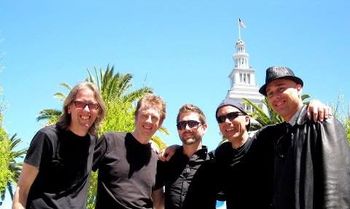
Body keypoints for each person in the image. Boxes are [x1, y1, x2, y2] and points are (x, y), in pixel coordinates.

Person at [259, 66, 350, 209]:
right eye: (270, 94)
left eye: (281, 89)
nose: (275, 97)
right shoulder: (278, 136)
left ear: (298, 88)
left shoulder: (322, 122)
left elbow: (337, 186)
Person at [12, 81, 106, 209]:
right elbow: (22, 189)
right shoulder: (47, 137)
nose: (86, 109)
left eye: (92, 105)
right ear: (69, 107)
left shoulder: (93, 142)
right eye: (80, 103)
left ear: (98, 110)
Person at [92, 93, 166, 209]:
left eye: (154, 118)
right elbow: (80, 173)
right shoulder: (110, 141)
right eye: (145, 115)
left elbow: (158, 202)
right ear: (136, 116)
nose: (149, 121)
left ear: (160, 123)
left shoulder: (157, 159)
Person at [154, 104, 218, 209]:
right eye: (181, 125)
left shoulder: (214, 164)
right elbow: (157, 202)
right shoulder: (166, 160)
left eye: (192, 123)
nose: (186, 128)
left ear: (204, 128)